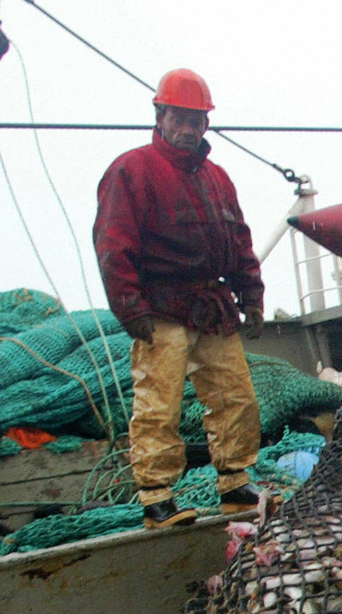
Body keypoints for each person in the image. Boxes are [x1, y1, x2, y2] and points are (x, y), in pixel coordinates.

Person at [94, 68, 266, 529]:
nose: (189, 129)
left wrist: (251, 296)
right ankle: (156, 497)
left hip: (213, 304)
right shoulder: (131, 170)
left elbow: (240, 242)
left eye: (198, 120)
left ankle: (234, 483)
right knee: (159, 402)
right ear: (160, 114)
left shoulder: (218, 179)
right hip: (161, 308)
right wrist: (130, 307)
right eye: (181, 118)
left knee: (236, 396)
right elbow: (113, 245)